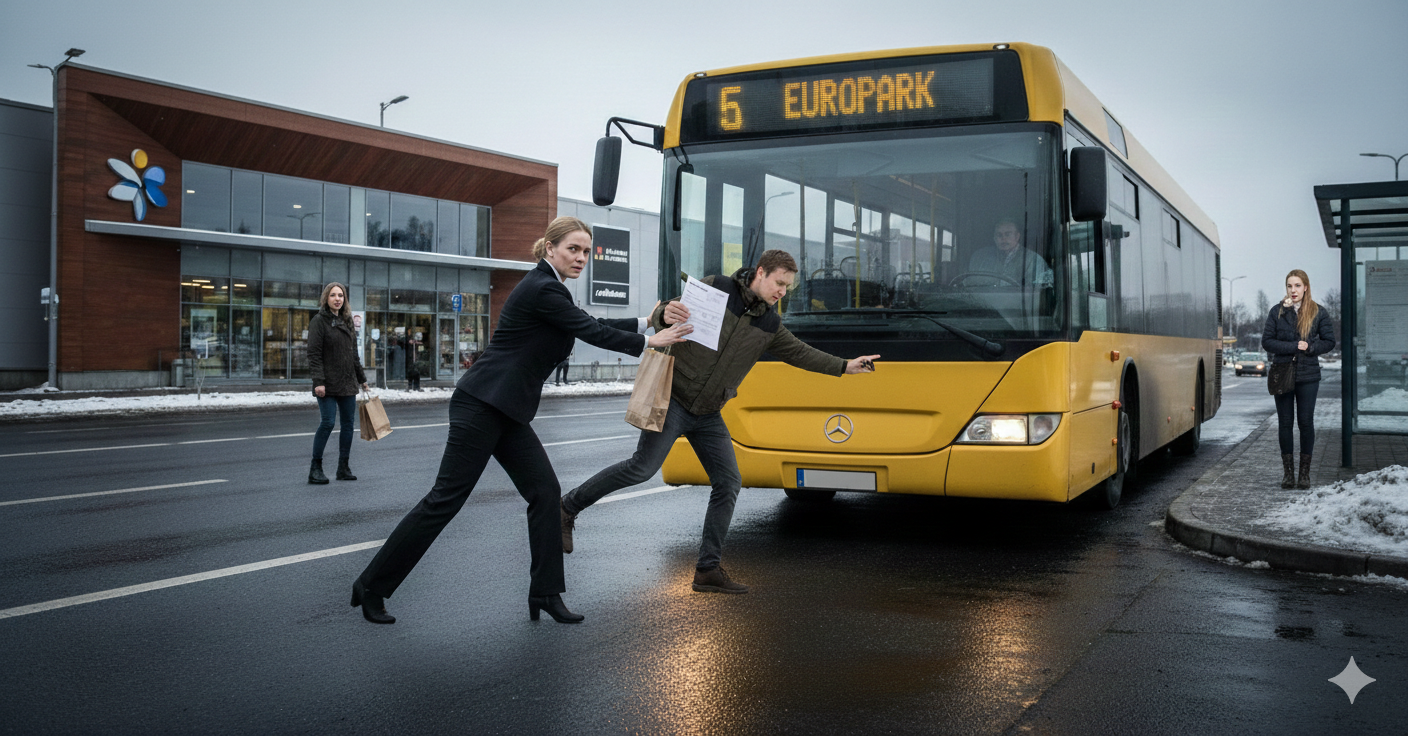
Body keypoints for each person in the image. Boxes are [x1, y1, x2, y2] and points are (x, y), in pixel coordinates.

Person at [350, 217, 691, 625]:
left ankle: (545, 593)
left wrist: (647, 321)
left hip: (506, 409)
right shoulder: (542, 287)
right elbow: (587, 329)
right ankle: (371, 586)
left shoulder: (552, 289)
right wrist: (649, 340)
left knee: (545, 493)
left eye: (586, 251)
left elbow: (589, 323)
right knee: (445, 500)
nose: (581, 257)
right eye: (573, 249)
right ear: (550, 248)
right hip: (481, 404)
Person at [560, 249, 880, 594]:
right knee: (642, 468)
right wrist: (664, 312)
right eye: (779, 283)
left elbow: (801, 353)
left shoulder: (769, 324)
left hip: (710, 412)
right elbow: (668, 315)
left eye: (788, 287)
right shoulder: (716, 288)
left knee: (728, 483)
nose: (782, 292)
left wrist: (845, 366)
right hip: (675, 400)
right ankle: (567, 507)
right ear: (761, 272)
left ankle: (707, 570)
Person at [1262, 269, 1336, 489]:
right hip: (1283, 373)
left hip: (1308, 375)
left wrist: (1311, 347)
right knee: (1285, 423)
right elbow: (1267, 342)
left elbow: (1329, 341)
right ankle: (1288, 474)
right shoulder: (1277, 311)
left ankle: (1304, 475)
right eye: (1289, 286)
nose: (1293, 290)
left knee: (1305, 423)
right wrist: (1294, 346)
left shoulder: (1318, 312)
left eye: (1297, 285)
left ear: (1305, 287)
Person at [307, 282, 370, 485]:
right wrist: (319, 382)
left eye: (341, 295)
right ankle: (315, 468)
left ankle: (343, 467)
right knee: (327, 423)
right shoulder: (319, 321)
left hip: (347, 382)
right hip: (326, 383)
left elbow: (353, 354)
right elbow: (314, 354)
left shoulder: (347, 321)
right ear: (326, 298)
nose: (337, 299)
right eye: (333, 295)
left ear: (344, 299)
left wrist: (362, 379)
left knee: (348, 425)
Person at [965, 218, 1053, 287]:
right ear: (994, 238)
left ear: (1017, 236)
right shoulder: (980, 258)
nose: (1003, 239)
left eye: (1008, 234)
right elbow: (968, 285)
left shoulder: (1034, 260)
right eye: (999, 235)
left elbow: (1036, 294)